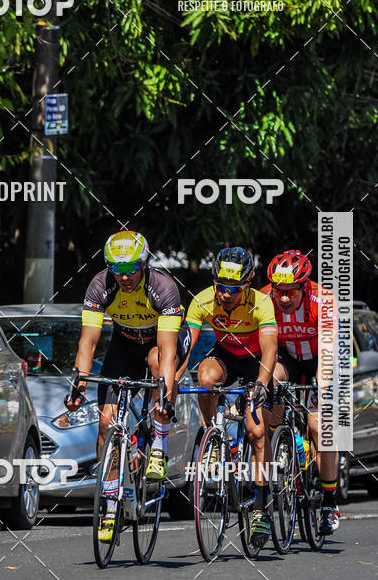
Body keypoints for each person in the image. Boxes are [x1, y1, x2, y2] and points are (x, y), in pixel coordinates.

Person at [66, 231, 191, 541]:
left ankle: (159, 445)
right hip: (125, 343)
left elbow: (166, 350)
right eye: (116, 269)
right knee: (107, 425)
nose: (122, 277)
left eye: (130, 269)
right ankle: (111, 508)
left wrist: (165, 390)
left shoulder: (163, 288)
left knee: (156, 365)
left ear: (144, 263)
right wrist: (78, 384)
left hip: (162, 342)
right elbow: (89, 342)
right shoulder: (101, 285)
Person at [185, 246, 278, 549]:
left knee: (256, 430)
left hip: (255, 361)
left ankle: (261, 508)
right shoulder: (203, 300)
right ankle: (212, 433)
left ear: (248, 283)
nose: (225, 294)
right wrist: (171, 378)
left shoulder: (261, 302)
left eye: (233, 289)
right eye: (221, 287)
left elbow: (270, 349)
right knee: (205, 379)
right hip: (226, 354)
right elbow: (188, 344)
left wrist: (262, 383)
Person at [260, 250, 339, 534]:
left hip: (321, 359)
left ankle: (330, 503)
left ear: (305, 286)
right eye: (278, 291)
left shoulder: (324, 300)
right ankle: (286, 443)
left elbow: (330, 351)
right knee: (272, 381)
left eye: (291, 292)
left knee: (321, 427)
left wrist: (323, 382)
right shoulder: (264, 297)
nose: (283, 298)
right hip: (288, 358)